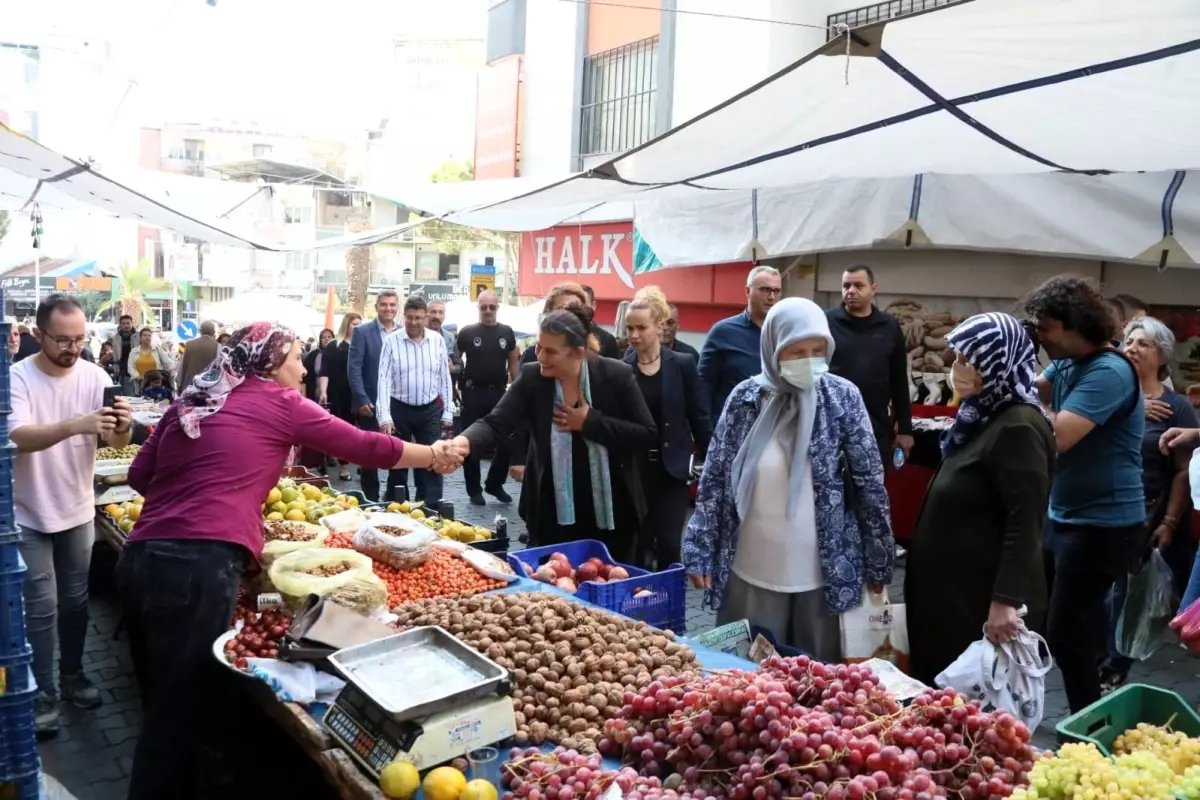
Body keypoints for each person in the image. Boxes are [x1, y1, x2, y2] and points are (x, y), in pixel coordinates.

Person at [117, 322, 460, 798]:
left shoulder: (193, 399)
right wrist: (434, 454)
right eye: (297, 358)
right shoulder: (279, 402)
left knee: (163, 700)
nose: (303, 369)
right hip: (198, 569)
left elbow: (140, 475)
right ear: (271, 363)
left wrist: (206, 505)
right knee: (177, 720)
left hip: (139, 560)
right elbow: (363, 445)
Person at [682, 298, 894, 660]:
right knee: (748, 675)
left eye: (817, 350)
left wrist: (879, 560)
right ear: (772, 348)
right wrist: (699, 549)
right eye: (796, 351)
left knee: (816, 676)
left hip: (821, 570)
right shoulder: (745, 399)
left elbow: (870, 485)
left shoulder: (843, 399)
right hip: (752, 564)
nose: (809, 361)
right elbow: (716, 479)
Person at [905, 313, 1055, 685]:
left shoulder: (1018, 425)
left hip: (977, 599)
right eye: (956, 358)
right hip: (951, 591)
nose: (957, 369)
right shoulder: (982, 413)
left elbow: (1026, 520)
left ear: (997, 363)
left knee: (969, 708)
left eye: (966, 361)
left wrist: (1005, 600)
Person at [10, 294, 133, 736]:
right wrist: (76, 425)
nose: (72, 348)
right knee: (41, 609)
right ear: (39, 334)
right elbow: (17, 436)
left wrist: (121, 425)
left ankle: (73, 675)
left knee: (77, 602)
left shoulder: (97, 375)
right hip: (27, 514)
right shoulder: (18, 378)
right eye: (62, 339)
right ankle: (43, 693)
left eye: (79, 338)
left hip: (78, 509)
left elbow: (117, 444)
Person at [1027, 275, 1144, 713]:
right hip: (1064, 516)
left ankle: (1085, 729)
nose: (1040, 336)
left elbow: (1056, 436)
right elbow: (1032, 389)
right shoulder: (1066, 364)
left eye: (1045, 327)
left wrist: (1027, 401)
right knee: (1066, 623)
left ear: (1073, 324)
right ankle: (1094, 699)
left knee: (1065, 634)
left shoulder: (1109, 370)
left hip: (1104, 524)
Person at [452, 309, 658, 559]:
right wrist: (462, 441)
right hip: (552, 511)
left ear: (578, 353)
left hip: (613, 511)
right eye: (539, 347)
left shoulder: (615, 375)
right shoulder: (532, 377)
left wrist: (590, 422)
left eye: (551, 351)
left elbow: (646, 434)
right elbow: (496, 422)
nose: (541, 356)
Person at [1099, 317, 1197, 691]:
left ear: (1162, 357)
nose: (1133, 348)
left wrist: (1169, 522)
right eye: (1129, 341)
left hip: (1146, 513)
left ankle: (1114, 664)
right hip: (1103, 508)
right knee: (1103, 591)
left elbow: (1182, 471)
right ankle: (1101, 657)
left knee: (1124, 593)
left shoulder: (1176, 408)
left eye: (1144, 344)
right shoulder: (1112, 398)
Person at [622, 286, 712, 569]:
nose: (634, 335)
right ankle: (639, 602)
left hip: (671, 470)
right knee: (639, 543)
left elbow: (699, 416)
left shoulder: (683, 364)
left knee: (671, 542)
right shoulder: (622, 367)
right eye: (629, 329)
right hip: (634, 470)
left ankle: (670, 602)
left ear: (659, 325)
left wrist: (713, 460)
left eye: (641, 328)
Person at [826, 264, 914, 465]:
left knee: (873, 491)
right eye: (846, 285)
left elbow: (899, 380)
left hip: (876, 428)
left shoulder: (889, 326)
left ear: (873, 288)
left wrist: (905, 430)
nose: (851, 291)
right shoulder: (826, 322)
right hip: (832, 428)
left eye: (858, 285)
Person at [377, 296, 454, 506]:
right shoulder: (391, 341)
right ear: (404, 316)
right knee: (398, 461)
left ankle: (431, 507)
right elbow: (383, 380)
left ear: (426, 317)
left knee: (432, 459)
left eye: (418, 318)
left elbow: (444, 378)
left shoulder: (437, 341)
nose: (413, 322)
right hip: (399, 408)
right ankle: (396, 508)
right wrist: (384, 416)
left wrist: (448, 411)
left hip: (429, 409)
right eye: (409, 317)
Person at [457, 290, 519, 506]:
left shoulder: (506, 332)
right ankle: (474, 489)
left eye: (492, 307)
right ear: (479, 308)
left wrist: (518, 386)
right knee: (470, 442)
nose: (488, 311)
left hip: (499, 393)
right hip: (473, 393)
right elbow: (456, 360)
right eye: (484, 307)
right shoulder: (467, 332)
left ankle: (494, 483)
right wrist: (457, 382)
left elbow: (513, 361)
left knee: (506, 439)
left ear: (497, 307)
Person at [697, 265, 781, 420]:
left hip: (772, 429)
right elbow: (703, 386)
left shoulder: (784, 334)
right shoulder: (723, 331)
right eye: (765, 290)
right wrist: (707, 435)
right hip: (730, 428)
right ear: (748, 291)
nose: (771, 297)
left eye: (776, 291)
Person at [348, 291, 401, 502]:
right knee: (369, 454)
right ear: (376, 306)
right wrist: (361, 398)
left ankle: (393, 497)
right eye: (384, 305)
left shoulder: (404, 332)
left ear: (397, 307)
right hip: (369, 403)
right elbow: (354, 368)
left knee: (397, 452)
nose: (388, 309)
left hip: (397, 404)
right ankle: (370, 499)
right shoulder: (362, 332)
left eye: (392, 305)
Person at [318, 312, 362, 481]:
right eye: (354, 324)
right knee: (345, 429)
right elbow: (325, 371)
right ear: (346, 325)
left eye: (359, 324)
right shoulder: (334, 346)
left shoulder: (363, 344)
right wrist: (323, 391)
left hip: (360, 393)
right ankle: (344, 466)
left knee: (363, 430)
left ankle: (363, 463)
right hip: (340, 394)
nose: (357, 327)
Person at [520, 283, 598, 366]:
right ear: (549, 313)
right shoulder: (531, 358)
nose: (568, 315)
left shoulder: (601, 363)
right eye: (561, 309)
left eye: (575, 310)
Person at [579, 284, 622, 358]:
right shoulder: (561, 337)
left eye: (584, 304)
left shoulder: (607, 339)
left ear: (593, 305)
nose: (579, 309)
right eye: (576, 304)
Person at [176, 320, 220, 391]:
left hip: (190, 386)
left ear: (200, 331)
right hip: (210, 388)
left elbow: (182, 366)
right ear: (214, 332)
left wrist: (179, 385)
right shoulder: (218, 346)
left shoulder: (189, 344)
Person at [127, 327, 169, 394]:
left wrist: (172, 372)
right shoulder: (134, 351)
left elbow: (167, 363)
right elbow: (130, 367)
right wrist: (137, 376)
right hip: (140, 383)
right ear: (140, 338)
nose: (147, 337)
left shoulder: (157, 349)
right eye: (144, 335)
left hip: (156, 384)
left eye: (149, 335)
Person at [106, 314, 138, 393]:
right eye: (123, 323)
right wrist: (116, 367)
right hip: (122, 368)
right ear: (120, 325)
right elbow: (115, 354)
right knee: (125, 391)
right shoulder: (116, 337)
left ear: (132, 324)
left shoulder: (138, 336)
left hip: (136, 366)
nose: (126, 325)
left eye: (128, 323)